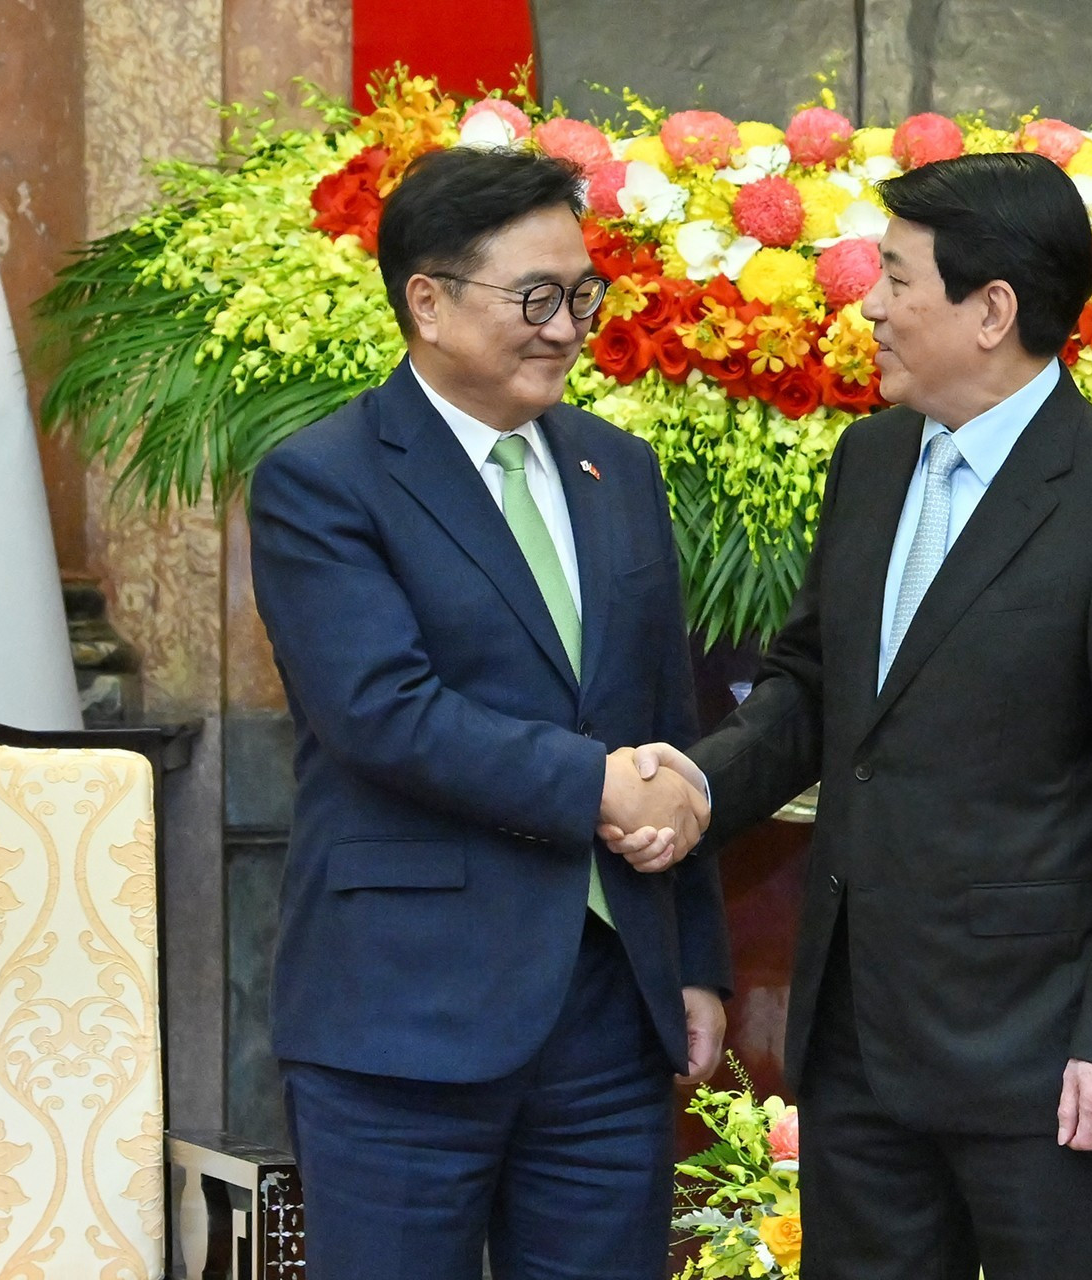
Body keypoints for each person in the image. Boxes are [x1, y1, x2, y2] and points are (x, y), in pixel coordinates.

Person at [606, 152, 1092, 1278]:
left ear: (992, 311)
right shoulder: (871, 460)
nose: (870, 306)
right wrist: (695, 785)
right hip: (859, 1042)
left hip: (1043, 1055)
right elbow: (810, 690)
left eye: (896, 280)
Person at [249, 145, 728, 1280]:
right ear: (427, 298)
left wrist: (693, 955)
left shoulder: (619, 468)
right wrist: (597, 785)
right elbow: (383, 709)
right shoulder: (325, 477)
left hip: (609, 1010)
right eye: (535, 298)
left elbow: (667, 718)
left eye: (582, 295)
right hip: (403, 1019)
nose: (566, 327)